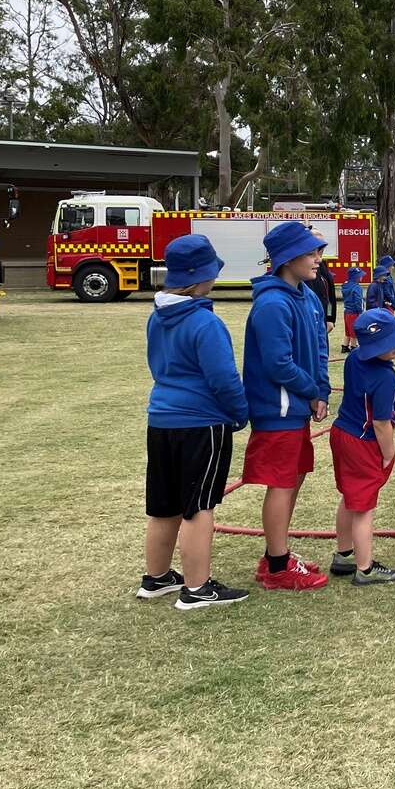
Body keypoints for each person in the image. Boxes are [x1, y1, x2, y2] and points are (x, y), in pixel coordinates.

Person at [140, 235, 251, 610]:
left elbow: (156, 365)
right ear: (202, 276)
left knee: (164, 504)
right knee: (198, 506)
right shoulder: (205, 323)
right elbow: (224, 379)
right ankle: (198, 588)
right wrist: (239, 412)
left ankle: (156, 577)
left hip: (161, 420)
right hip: (201, 423)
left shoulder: (157, 317)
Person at [241, 219, 332, 591]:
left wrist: (321, 390)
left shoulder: (306, 295)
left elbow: (320, 346)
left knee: (293, 478)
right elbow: (278, 363)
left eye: (318, 251)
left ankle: (275, 553)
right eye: (310, 253)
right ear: (287, 258)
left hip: (297, 407)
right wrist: (311, 390)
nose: (318, 259)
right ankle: (278, 567)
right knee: (280, 483)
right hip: (277, 410)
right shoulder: (272, 304)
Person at [327, 308, 395, 585]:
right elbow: (381, 423)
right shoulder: (386, 379)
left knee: (350, 497)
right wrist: (388, 453)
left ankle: (344, 555)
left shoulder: (354, 358)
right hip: (362, 442)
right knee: (363, 507)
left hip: (341, 432)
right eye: (388, 343)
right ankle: (364, 569)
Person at [340, 266, 366, 354]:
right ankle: (354, 347)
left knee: (348, 330)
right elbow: (358, 300)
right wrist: (361, 311)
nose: (362, 277)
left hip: (346, 311)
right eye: (360, 275)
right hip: (354, 312)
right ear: (356, 277)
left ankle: (345, 346)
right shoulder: (357, 287)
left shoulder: (345, 285)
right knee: (354, 332)